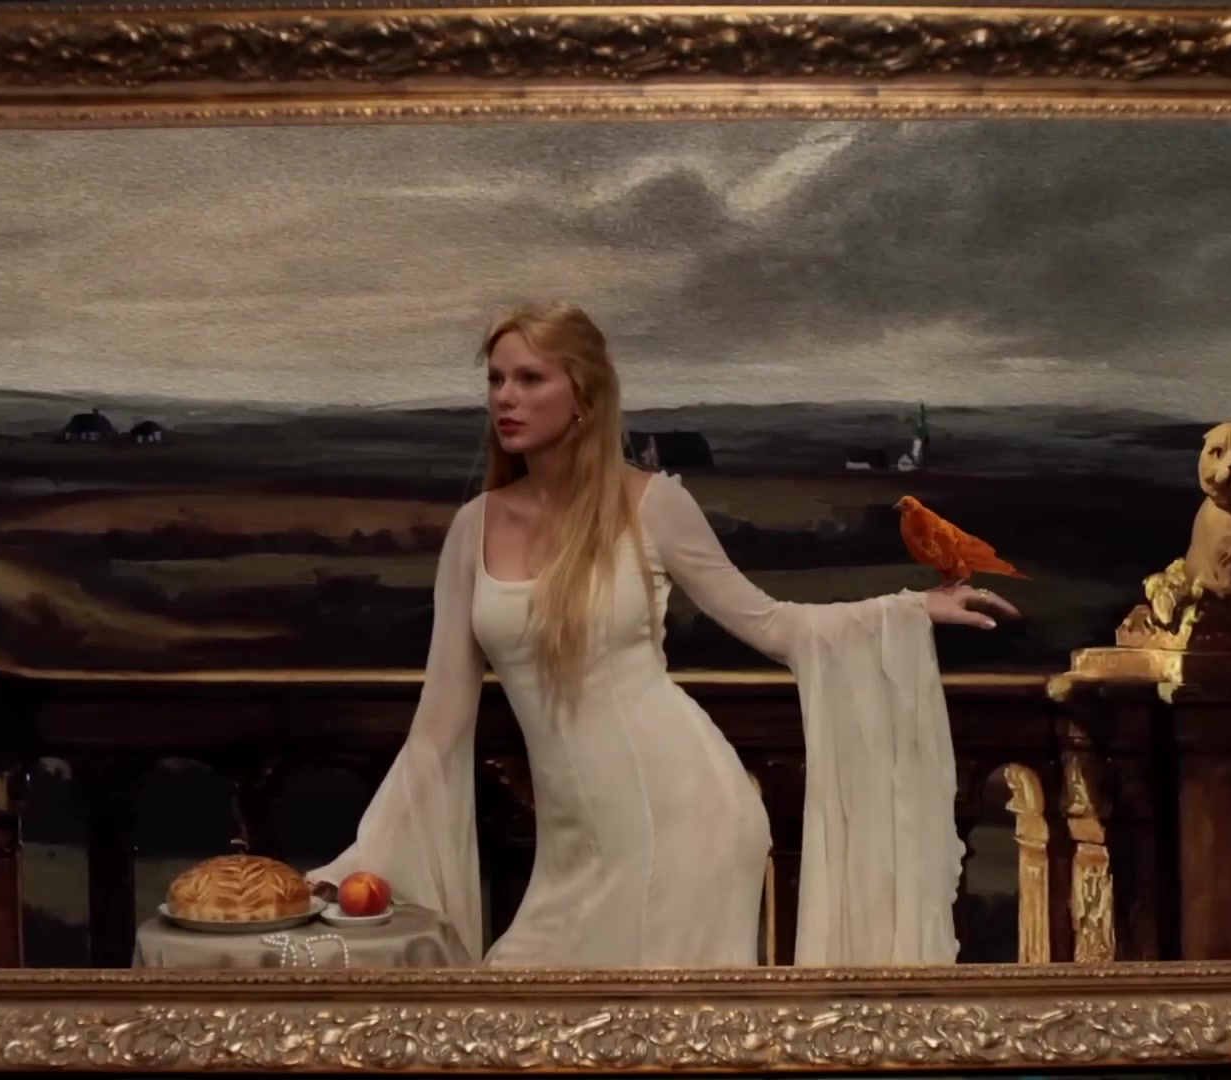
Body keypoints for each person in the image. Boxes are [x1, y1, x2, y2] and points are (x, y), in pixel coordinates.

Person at [307, 303, 1019, 968]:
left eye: (530, 378)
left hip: (688, 820)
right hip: (574, 850)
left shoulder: (653, 503)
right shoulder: (475, 527)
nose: (506, 398)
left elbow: (771, 623)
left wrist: (909, 610)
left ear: (583, 395)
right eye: (496, 380)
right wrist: (366, 857)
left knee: (668, 1036)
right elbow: (438, 726)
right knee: (525, 1015)